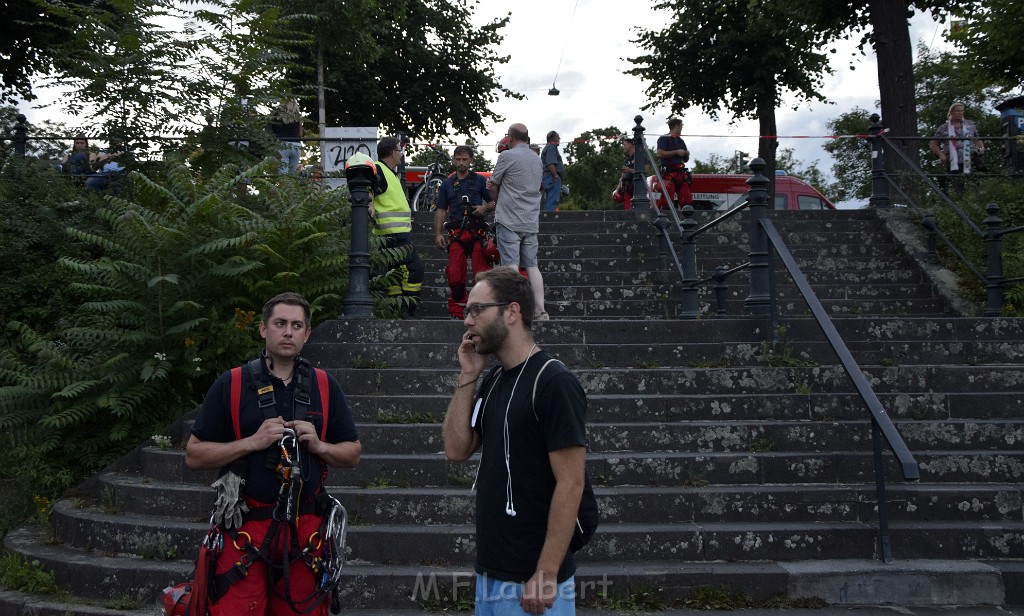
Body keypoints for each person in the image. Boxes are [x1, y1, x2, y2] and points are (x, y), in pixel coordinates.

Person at [185, 292, 361, 616]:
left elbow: (352, 453)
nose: (288, 332)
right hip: (245, 528)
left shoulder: (325, 386)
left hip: (306, 529)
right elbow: (194, 455)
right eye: (280, 323)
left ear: (307, 334)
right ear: (264, 329)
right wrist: (251, 442)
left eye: (296, 325)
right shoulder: (232, 384)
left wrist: (320, 446)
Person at [442, 266, 588, 616]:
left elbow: (571, 482)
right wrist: (467, 376)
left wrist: (546, 572)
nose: (467, 321)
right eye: (467, 311)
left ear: (511, 312)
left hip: (533, 581)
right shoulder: (493, 380)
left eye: (477, 309)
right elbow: (456, 449)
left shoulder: (553, 382)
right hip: (491, 572)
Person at [486, 123, 548, 321]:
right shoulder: (537, 160)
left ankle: (514, 311)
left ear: (510, 138)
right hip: (530, 219)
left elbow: (493, 184)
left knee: (511, 265)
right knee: (532, 265)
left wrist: (495, 198)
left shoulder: (506, 156)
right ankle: (540, 310)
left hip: (509, 218)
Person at [434, 145, 498, 320]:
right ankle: (456, 312)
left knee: (482, 275)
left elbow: (493, 203)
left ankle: (483, 311)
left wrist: (484, 208)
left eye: (465, 159)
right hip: (456, 234)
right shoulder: (447, 184)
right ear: (454, 160)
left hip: (477, 233)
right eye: (458, 159)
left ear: (471, 160)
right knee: (455, 275)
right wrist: (438, 233)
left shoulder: (479, 181)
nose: (461, 163)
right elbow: (440, 209)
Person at [371, 136, 424, 318]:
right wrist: (370, 203)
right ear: (393, 153)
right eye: (399, 150)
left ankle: (398, 309)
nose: (401, 154)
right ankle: (406, 309)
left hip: (396, 234)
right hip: (392, 234)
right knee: (415, 269)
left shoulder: (389, 172)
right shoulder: (379, 169)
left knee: (396, 274)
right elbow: (370, 187)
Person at [929, 101, 985, 175]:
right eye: (957, 111)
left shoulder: (970, 124)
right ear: (951, 112)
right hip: (953, 161)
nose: (960, 113)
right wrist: (941, 155)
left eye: (962, 111)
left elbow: (977, 138)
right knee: (958, 183)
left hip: (971, 158)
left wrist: (981, 148)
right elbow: (933, 144)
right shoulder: (943, 128)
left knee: (975, 180)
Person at [655, 118, 692, 208]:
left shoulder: (681, 141)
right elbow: (659, 153)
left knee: (686, 197)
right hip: (668, 172)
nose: (682, 128)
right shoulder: (664, 138)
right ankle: (666, 216)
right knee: (667, 198)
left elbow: (686, 160)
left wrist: (686, 153)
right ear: (676, 126)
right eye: (681, 126)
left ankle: (687, 216)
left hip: (679, 171)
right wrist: (676, 152)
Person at [611, 135, 648, 210]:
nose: (623, 147)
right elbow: (622, 177)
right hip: (627, 188)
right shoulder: (626, 161)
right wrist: (616, 190)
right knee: (627, 209)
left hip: (638, 188)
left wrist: (630, 170)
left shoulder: (640, 157)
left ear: (630, 145)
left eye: (624, 145)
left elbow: (645, 171)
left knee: (639, 209)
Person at [268, 99, 303, 174]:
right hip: (296, 146)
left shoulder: (275, 115)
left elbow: (269, 131)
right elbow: (300, 134)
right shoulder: (298, 117)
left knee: (282, 175)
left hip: (281, 145)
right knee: (292, 175)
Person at [540, 131, 564, 212]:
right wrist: (555, 176)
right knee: (552, 201)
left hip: (548, 177)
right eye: (558, 137)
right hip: (552, 177)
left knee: (548, 200)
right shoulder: (551, 148)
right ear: (555, 138)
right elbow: (551, 164)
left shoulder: (548, 148)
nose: (559, 139)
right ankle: (550, 221)